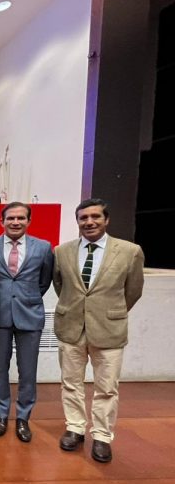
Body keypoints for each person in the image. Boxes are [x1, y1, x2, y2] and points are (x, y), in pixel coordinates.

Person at [53, 198, 144, 463]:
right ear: (78, 221)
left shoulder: (129, 251)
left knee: (106, 388)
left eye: (95, 217)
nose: (89, 222)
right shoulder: (62, 251)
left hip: (109, 329)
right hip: (71, 327)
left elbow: (133, 290)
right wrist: (77, 310)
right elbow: (60, 286)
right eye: (84, 218)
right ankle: (75, 428)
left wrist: (108, 312)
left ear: (106, 220)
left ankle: (102, 436)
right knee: (71, 383)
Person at [0, 202, 54, 442]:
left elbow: (44, 281)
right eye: (10, 218)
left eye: (21, 218)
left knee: (28, 371)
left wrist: (27, 298)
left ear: (29, 221)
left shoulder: (43, 247)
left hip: (30, 316)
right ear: (1, 221)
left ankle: (23, 418)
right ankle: (1, 415)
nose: (15, 222)